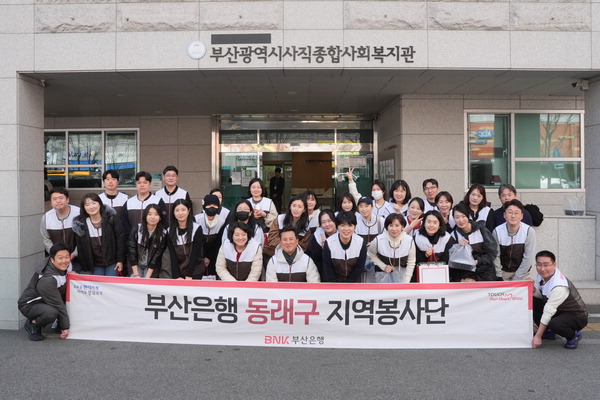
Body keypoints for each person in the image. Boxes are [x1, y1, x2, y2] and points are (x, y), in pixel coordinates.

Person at [532, 250, 588, 349]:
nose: (542, 269)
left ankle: (573, 336)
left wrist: (538, 336)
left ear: (554, 265)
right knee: (532, 299)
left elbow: (548, 311)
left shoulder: (559, 286)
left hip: (576, 315)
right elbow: (540, 294)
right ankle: (548, 332)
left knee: (555, 324)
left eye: (546, 265)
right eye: (539, 265)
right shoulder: (542, 275)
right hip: (558, 310)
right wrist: (532, 290)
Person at [18, 243, 71, 341]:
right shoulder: (48, 279)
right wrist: (65, 327)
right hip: (29, 304)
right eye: (60, 258)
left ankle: (58, 323)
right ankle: (33, 323)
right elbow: (58, 304)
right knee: (51, 312)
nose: (64, 261)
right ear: (52, 259)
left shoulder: (61, 267)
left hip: (45, 300)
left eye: (67, 257)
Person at [72, 193, 125, 276]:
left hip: (112, 262)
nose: (91, 207)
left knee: (110, 282)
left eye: (94, 203)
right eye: (87, 205)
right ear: (83, 207)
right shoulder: (81, 224)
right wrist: (86, 267)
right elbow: (81, 248)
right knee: (98, 284)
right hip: (94, 265)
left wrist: (120, 260)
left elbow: (120, 240)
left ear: (100, 204)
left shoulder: (111, 219)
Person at [451, 202, 498, 282]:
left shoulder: (481, 230)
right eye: (457, 217)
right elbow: (453, 261)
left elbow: (492, 253)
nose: (461, 220)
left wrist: (478, 261)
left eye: (463, 216)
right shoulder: (454, 235)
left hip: (485, 274)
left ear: (468, 216)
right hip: (466, 276)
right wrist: (459, 248)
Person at [492, 199, 536, 281]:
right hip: (502, 273)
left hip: (522, 273)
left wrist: (517, 277)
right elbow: (495, 255)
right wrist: (499, 275)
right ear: (504, 215)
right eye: (510, 212)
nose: (513, 216)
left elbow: (528, 257)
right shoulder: (497, 231)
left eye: (516, 213)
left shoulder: (528, 231)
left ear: (521, 216)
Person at [368, 213, 416, 283]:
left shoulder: (409, 240)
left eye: (397, 225)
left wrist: (406, 281)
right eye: (391, 225)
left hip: (402, 277)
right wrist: (383, 266)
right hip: (382, 277)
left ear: (402, 227)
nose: (394, 229)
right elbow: (371, 255)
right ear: (387, 227)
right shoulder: (378, 240)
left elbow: (411, 262)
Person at [322, 211, 367, 282]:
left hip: (355, 283)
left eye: (350, 225)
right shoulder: (329, 242)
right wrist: (335, 285)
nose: (346, 229)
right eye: (342, 225)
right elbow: (328, 268)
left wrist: (349, 284)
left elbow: (360, 267)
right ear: (337, 226)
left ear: (354, 226)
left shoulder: (360, 242)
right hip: (334, 284)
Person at [127, 203, 168, 279]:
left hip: (151, 267)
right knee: (135, 281)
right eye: (149, 214)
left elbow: (156, 256)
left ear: (160, 217)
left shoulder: (163, 233)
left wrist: (147, 277)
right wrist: (136, 275)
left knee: (148, 283)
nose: (153, 217)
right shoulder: (137, 229)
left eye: (156, 214)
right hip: (136, 265)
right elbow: (132, 251)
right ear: (145, 216)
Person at [414, 210, 456, 281]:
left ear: (439, 225)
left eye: (435, 223)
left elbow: (450, 261)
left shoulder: (447, 239)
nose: (431, 225)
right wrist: (425, 255)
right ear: (424, 223)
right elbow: (413, 260)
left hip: (442, 277)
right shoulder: (417, 238)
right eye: (429, 222)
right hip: (422, 277)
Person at [167, 199, 204, 279]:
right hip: (179, 271)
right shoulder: (169, 231)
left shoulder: (197, 228)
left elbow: (195, 254)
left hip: (195, 270)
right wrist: (176, 276)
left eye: (183, 210)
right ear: (173, 212)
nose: (180, 213)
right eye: (177, 210)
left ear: (189, 210)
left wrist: (189, 275)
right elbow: (172, 255)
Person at [121, 171, 165, 237]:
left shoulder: (158, 201)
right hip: (133, 239)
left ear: (150, 184)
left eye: (145, 182)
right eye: (139, 183)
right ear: (136, 184)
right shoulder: (129, 202)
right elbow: (124, 224)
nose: (142, 185)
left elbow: (163, 221)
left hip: (154, 238)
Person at [194, 194, 227, 279]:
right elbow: (196, 242)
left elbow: (218, 241)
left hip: (214, 255)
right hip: (198, 255)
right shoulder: (197, 219)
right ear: (204, 206)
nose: (212, 207)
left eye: (214, 205)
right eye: (209, 205)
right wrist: (202, 256)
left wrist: (209, 256)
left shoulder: (221, 221)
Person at [41, 188, 80, 257]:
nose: (58, 201)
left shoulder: (78, 213)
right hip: (57, 259)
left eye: (61, 198)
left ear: (67, 200)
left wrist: (74, 254)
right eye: (54, 199)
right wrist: (56, 255)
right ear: (50, 202)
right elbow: (46, 239)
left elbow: (84, 237)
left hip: (78, 257)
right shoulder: (47, 217)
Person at [305, 209, 337, 278]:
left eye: (329, 221)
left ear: (334, 221)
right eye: (323, 222)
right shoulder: (317, 236)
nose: (327, 224)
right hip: (321, 273)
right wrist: (323, 249)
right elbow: (314, 259)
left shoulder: (342, 234)